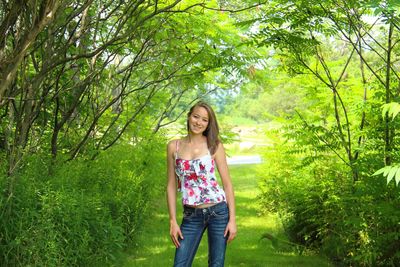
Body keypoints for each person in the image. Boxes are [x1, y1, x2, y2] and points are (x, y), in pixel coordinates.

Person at [166, 101, 237, 267]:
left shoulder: (215, 146)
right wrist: (172, 221)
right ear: (189, 116)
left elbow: (227, 185)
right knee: (180, 264)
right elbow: (170, 185)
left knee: (216, 264)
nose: (198, 122)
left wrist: (232, 220)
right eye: (196, 116)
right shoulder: (173, 147)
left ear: (208, 124)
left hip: (218, 212)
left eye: (204, 120)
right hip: (191, 215)